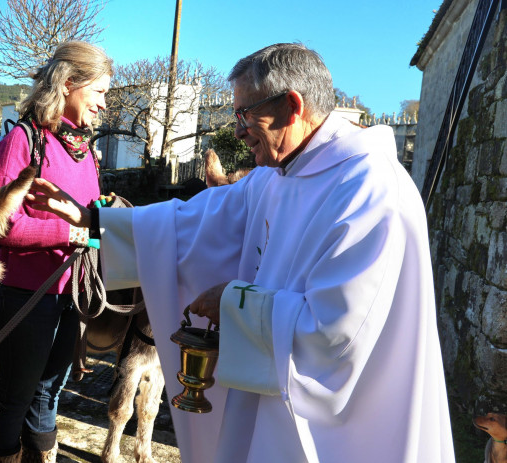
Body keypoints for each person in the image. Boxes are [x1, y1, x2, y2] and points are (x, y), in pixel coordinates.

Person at [26, 43, 456, 462]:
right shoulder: (277, 174)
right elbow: (195, 220)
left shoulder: (369, 189)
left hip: (338, 430)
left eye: (245, 113)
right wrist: (96, 220)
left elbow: (338, 333)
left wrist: (231, 302)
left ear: (292, 105)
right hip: (267, 394)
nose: (236, 130)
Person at [0, 40, 112, 463]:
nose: (104, 105)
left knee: (50, 393)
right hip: (24, 292)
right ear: (69, 83)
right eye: (100, 92)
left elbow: (88, 217)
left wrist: (99, 216)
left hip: (70, 294)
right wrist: (70, 234)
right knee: (17, 398)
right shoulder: (24, 140)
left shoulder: (84, 149)